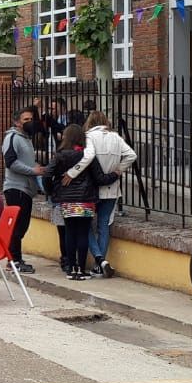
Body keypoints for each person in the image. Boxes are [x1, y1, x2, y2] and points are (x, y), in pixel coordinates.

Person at [83, 111, 136, 278]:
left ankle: (99, 259)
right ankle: (100, 265)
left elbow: (88, 157)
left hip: (92, 189)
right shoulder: (116, 137)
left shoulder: (88, 136)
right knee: (103, 225)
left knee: (86, 225)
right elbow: (132, 155)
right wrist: (119, 169)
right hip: (112, 188)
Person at [48, 124, 98, 279]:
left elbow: (47, 174)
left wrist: (53, 191)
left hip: (67, 200)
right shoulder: (87, 156)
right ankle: (81, 269)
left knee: (69, 233)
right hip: (85, 199)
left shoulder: (60, 155)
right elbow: (98, 177)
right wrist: (115, 175)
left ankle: (70, 268)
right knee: (83, 233)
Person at [0, 106, 44, 274]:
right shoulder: (12, 137)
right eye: (26, 120)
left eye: (31, 119)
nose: (30, 122)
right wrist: (32, 171)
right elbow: (10, 162)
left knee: (22, 226)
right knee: (18, 226)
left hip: (26, 189)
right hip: (16, 188)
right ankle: (14, 260)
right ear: (17, 122)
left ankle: (15, 259)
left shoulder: (26, 138)